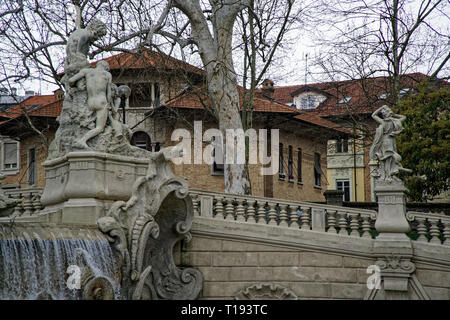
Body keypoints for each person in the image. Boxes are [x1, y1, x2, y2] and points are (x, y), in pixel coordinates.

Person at [68, 60, 112, 149]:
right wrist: (110, 105)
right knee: (100, 128)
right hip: (101, 102)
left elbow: (71, 80)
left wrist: (76, 86)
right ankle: (82, 140)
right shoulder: (107, 74)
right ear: (106, 68)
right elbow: (109, 93)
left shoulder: (87, 71)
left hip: (90, 102)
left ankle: (81, 138)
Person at [369, 105, 411, 181]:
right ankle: (389, 175)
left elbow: (373, 115)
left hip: (387, 140)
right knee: (389, 157)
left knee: (388, 158)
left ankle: (389, 174)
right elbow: (403, 117)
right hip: (389, 140)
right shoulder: (393, 121)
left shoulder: (384, 121)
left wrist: (381, 107)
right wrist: (394, 115)